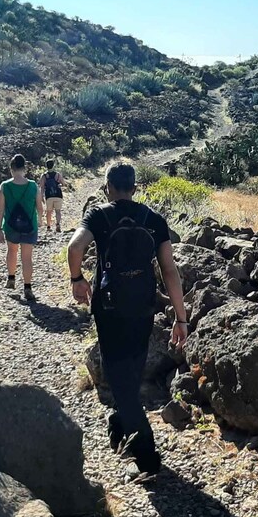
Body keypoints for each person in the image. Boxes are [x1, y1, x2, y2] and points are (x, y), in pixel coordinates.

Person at [67, 163, 189, 480]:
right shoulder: (154, 220)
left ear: (108, 187)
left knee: (120, 380)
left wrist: (77, 278)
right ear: (135, 188)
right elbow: (170, 271)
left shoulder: (99, 216)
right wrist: (181, 317)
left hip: (108, 311)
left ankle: (147, 460)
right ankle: (121, 423)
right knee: (130, 375)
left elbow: (75, 246)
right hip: (143, 309)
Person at [0, 154, 42, 301]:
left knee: (12, 250)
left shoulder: (5, 186)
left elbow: (0, 210)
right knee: (27, 257)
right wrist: (40, 220)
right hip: (29, 226)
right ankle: (27, 287)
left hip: (10, 226)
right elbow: (40, 207)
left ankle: (11, 279)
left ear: (11, 168)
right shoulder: (33, 186)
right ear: (25, 168)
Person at [39, 160, 65, 233]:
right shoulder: (57, 175)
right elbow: (63, 183)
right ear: (53, 165)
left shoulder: (44, 176)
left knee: (49, 211)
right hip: (58, 195)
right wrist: (59, 185)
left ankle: (48, 226)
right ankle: (58, 224)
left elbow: (42, 187)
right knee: (58, 211)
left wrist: (41, 196)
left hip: (49, 195)